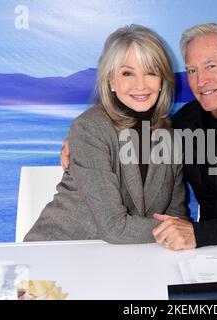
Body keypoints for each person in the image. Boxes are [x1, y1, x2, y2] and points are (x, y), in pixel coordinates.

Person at [61, 23, 217, 249]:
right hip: (214, 251)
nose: (201, 80)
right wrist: (78, 138)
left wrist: (197, 234)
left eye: (211, 66)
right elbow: (121, 131)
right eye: (192, 70)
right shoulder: (184, 123)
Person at [24, 25, 187, 243]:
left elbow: (176, 217)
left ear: (161, 81)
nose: (141, 85)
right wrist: (178, 231)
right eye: (128, 73)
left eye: (151, 72)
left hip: (125, 260)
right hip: (59, 254)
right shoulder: (90, 128)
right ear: (111, 80)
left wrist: (183, 232)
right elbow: (114, 228)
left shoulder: (169, 136)